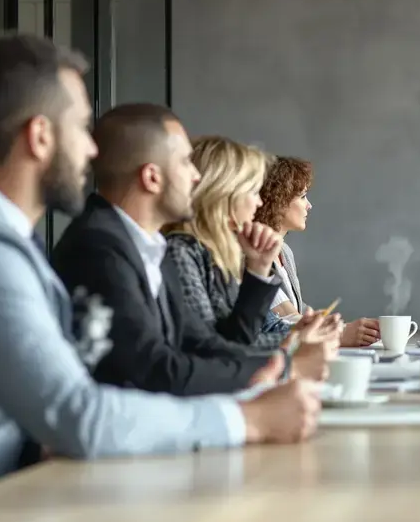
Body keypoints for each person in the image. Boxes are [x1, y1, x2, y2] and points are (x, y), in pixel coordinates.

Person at [0, 34, 322, 513]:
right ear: (39, 137)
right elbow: (80, 414)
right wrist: (246, 419)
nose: (92, 150)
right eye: (82, 128)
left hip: (10, 509)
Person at [52, 104, 339, 396]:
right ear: (152, 177)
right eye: (184, 162)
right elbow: (157, 370)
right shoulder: (100, 248)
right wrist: (287, 365)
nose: (196, 177)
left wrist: (288, 351)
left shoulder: (146, 246)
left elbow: (205, 344)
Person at [163, 135, 293, 349]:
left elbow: (241, 335)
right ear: (224, 193)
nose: (259, 202)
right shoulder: (180, 251)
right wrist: (297, 341)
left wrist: (259, 268)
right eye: (253, 191)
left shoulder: (220, 253)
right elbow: (214, 347)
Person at [254, 154, 380, 347]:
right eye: (302, 196)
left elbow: (297, 311)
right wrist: (339, 332)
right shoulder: (252, 254)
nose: (309, 205)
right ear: (278, 199)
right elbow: (284, 315)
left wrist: (332, 324)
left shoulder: (285, 251)